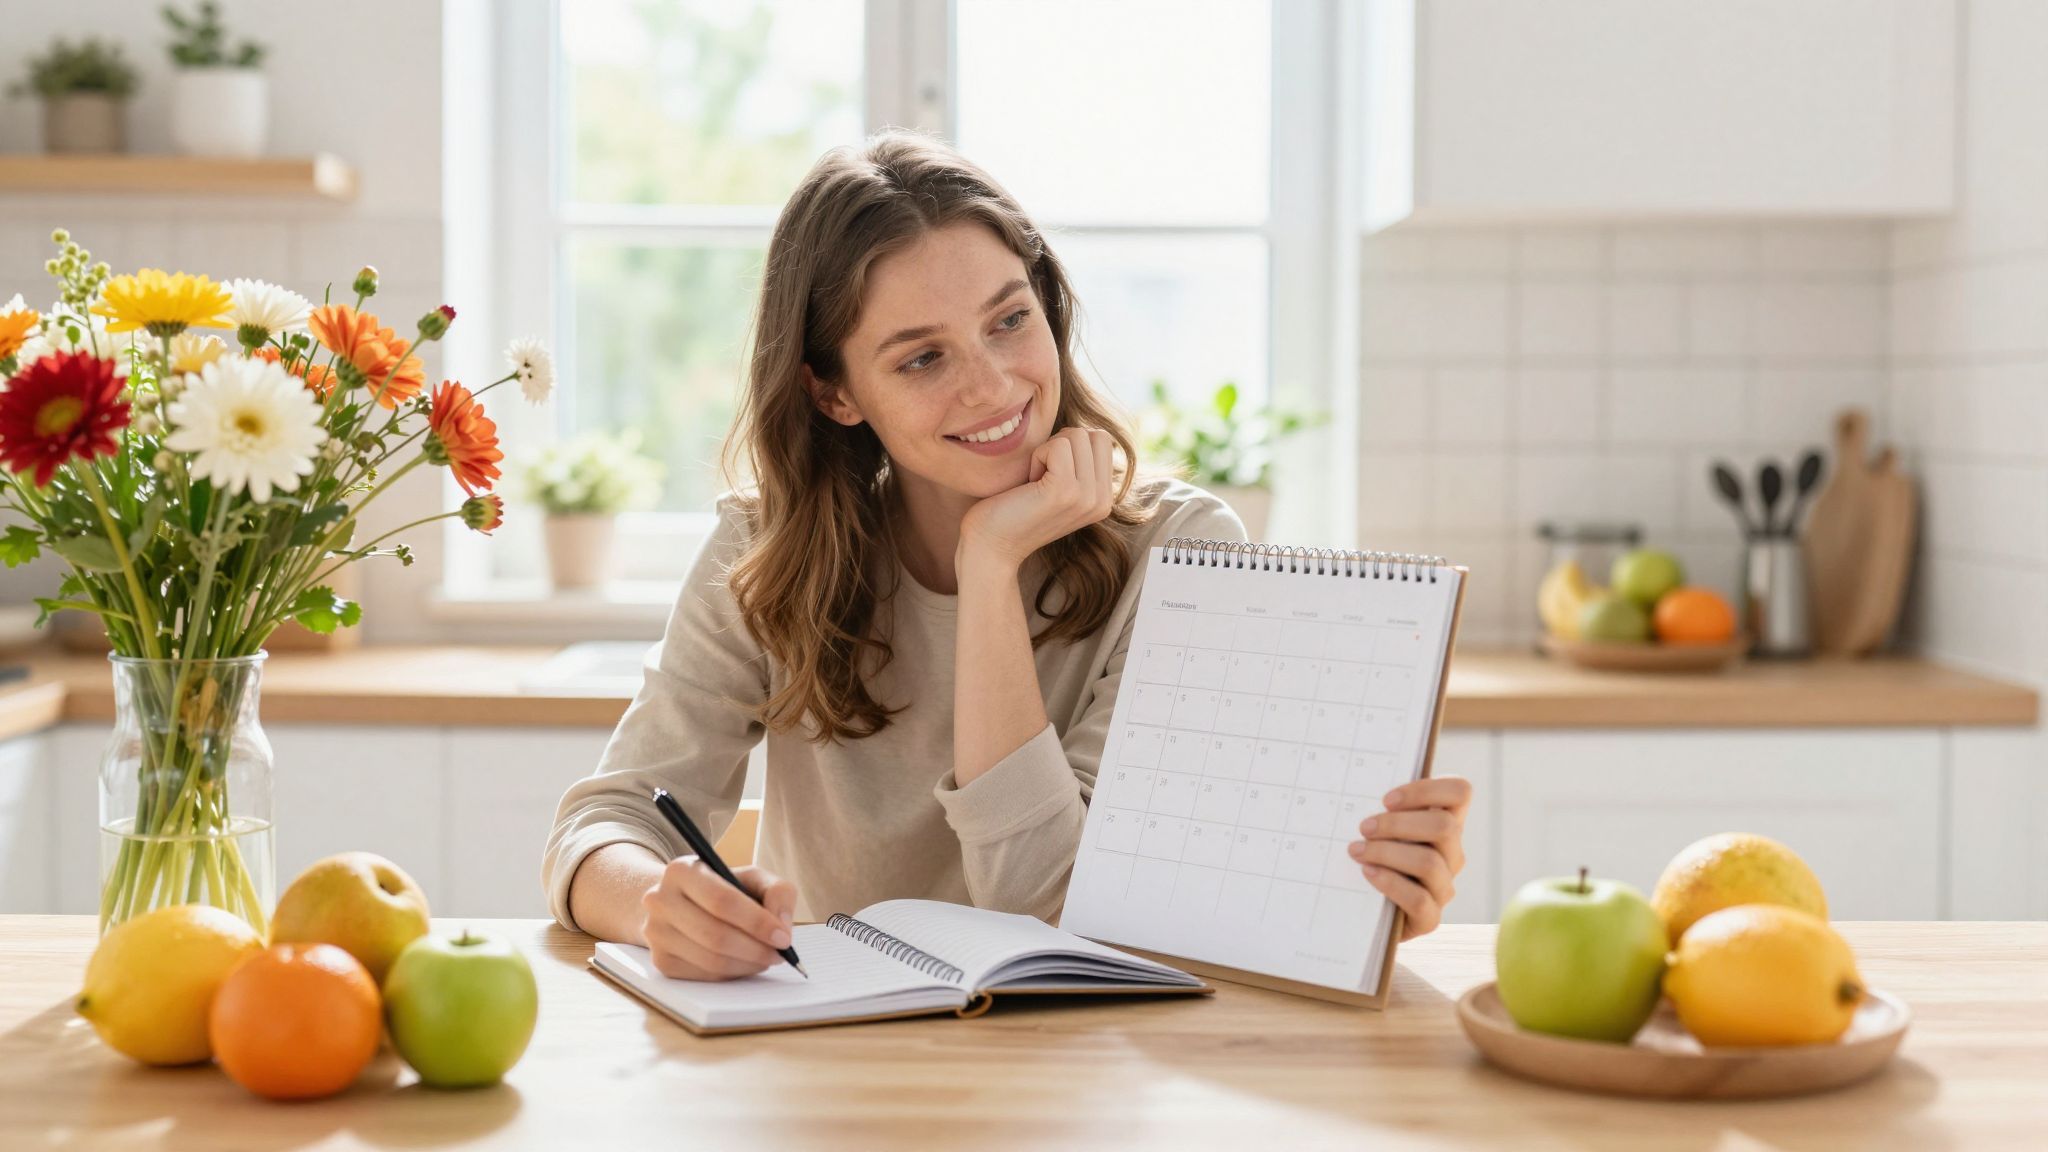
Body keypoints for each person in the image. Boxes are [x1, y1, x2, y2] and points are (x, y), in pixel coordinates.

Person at [541, 129, 1471, 981]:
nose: (992, 386)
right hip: (837, 1056)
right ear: (834, 395)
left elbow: (1049, 911)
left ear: (1048, 308)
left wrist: (988, 566)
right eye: (921, 359)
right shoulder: (766, 551)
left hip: (1092, 1058)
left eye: (1009, 321)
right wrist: (657, 904)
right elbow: (599, 825)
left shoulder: (1181, 554)